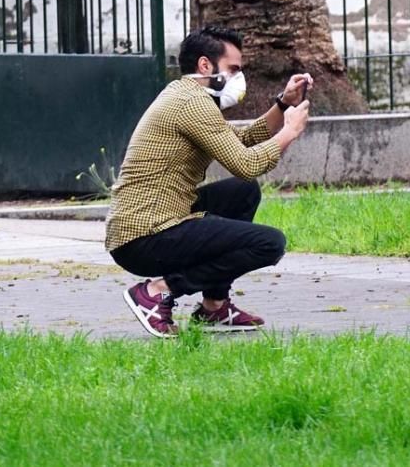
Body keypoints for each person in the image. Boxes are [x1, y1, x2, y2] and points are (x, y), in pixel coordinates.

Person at [105, 25, 312, 338]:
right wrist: (289, 131)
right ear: (205, 65)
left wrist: (283, 104)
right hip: (145, 235)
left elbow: (240, 141)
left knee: (241, 193)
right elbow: (247, 163)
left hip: (151, 224)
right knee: (269, 243)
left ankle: (214, 306)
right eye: (233, 69)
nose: (238, 78)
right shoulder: (193, 103)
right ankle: (158, 291)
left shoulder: (187, 96)